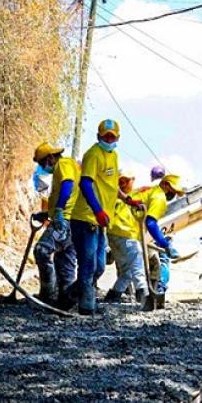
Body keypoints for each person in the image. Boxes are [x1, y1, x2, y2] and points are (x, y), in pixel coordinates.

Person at [70, 119, 127, 315]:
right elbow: (85, 184)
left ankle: (67, 297)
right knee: (87, 265)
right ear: (98, 136)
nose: (109, 139)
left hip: (101, 220)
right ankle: (86, 308)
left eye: (112, 136)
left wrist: (127, 199)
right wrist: (97, 210)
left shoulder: (114, 155)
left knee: (100, 266)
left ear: (117, 137)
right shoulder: (93, 155)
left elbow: (111, 185)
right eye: (105, 136)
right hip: (86, 218)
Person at [32, 142, 80, 309]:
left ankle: (48, 295)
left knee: (42, 250)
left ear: (51, 157)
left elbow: (68, 185)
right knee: (64, 263)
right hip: (71, 221)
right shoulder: (67, 166)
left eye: (41, 163)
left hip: (64, 222)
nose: (42, 167)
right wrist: (47, 214)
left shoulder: (64, 164)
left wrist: (58, 209)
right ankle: (64, 303)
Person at [137, 174, 185, 311]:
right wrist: (165, 244)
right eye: (172, 191)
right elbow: (151, 223)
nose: (173, 194)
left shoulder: (151, 193)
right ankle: (153, 294)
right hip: (153, 234)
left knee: (157, 263)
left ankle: (155, 293)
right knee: (156, 263)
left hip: (160, 234)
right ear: (164, 184)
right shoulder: (157, 196)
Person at [103, 170, 150, 304]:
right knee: (138, 266)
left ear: (132, 180)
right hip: (125, 235)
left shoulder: (130, 195)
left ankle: (113, 296)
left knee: (127, 272)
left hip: (114, 236)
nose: (122, 184)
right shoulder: (119, 197)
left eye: (125, 181)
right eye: (120, 181)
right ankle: (145, 298)